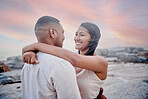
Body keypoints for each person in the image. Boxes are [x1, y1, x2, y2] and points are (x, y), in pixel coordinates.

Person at [23, 22, 108, 99]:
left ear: (92, 38)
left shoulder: (100, 62)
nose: (76, 38)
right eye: (76, 34)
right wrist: (32, 52)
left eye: (81, 35)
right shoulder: (67, 59)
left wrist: (36, 46)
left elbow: (75, 59)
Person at [21, 16, 81, 99]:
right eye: (62, 33)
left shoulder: (27, 64)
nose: (64, 37)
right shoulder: (61, 65)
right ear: (52, 32)